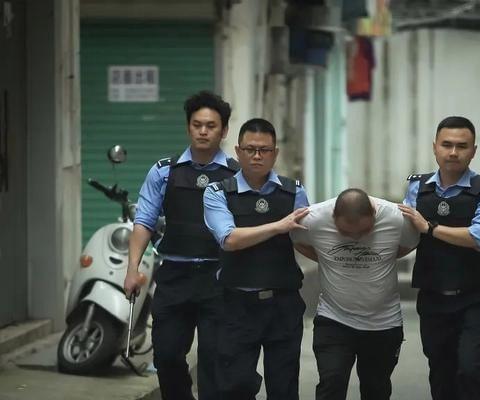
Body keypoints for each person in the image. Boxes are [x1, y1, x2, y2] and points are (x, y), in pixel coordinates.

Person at [124, 90, 240, 400]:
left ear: (224, 131)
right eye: (197, 125)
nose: (203, 131)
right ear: (188, 127)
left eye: (211, 126)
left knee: (215, 362)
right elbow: (144, 221)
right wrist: (132, 269)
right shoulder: (164, 171)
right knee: (166, 356)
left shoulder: (237, 175)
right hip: (174, 277)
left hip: (220, 279)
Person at [203, 118, 309, 400]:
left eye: (264, 150)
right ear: (238, 151)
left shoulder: (294, 191)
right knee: (235, 386)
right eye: (250, 149)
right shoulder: (217, 192)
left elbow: (307, 241)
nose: (257, 156)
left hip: (282, 303)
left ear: (275, 153)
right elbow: (229, 239)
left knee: (284, 388)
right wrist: (278, 226)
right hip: (236, 305)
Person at [398, 116, 480, 400]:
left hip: (474, 297)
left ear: (474, 151)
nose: (453, 152)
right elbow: (404, 233)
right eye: (446, 145)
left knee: (471, 369)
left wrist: (430, 228)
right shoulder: (417, 187)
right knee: (441, 373)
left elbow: (479, 237)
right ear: (435, 147)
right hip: (433, 296)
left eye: (461, 146)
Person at [290, 188, 419, 400]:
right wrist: (327, 259)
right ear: (333, 217)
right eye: (346, 233)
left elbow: (408, 244)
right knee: (331, 384)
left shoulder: (397, 219)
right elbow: (297, 241)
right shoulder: (313, 219)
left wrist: (382, 258)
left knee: (376, 389)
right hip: (334, 318)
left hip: (383, 324)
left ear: (374, 215)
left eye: (364, 231)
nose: (356, 238)